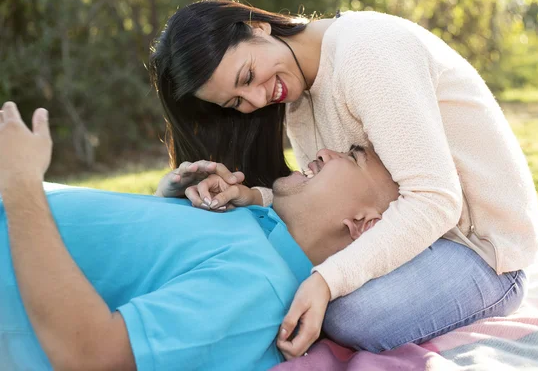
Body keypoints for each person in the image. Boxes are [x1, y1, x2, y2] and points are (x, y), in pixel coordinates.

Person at [150, 0, 538, 356]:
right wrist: (252, 198)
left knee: (349, 315)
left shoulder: (366, 51)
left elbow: (434, 199)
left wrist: (327, 281)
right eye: (236, 102)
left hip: (484, 253)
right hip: (424, 238)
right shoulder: (297, 92)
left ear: (257, 27)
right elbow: (328, 203)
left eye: (248, 75)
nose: (255, 100)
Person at [0, 101, 399, 370]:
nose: (328, 152)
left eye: (351, 157)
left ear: (364, 223)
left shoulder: (259, 284)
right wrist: (164, 207)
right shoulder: (254, 225)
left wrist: (21, 186)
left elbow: (92, 355)